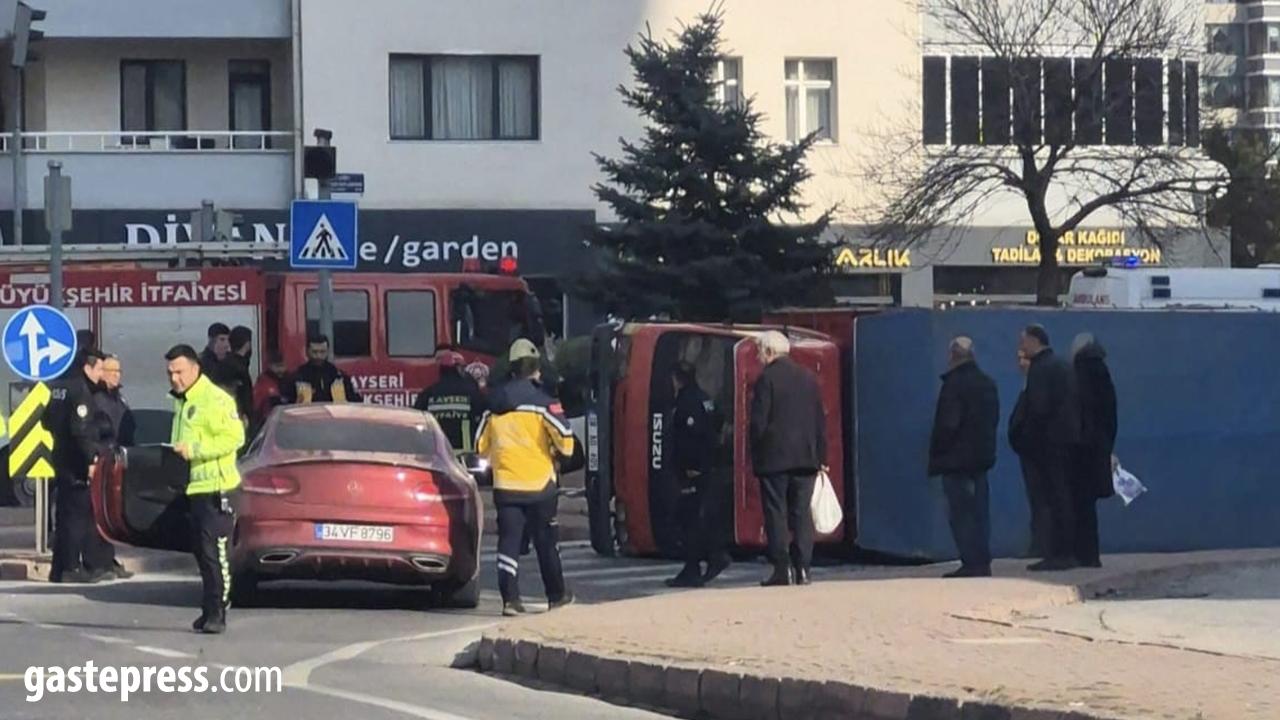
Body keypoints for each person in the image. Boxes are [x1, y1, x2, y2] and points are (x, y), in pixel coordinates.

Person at [476, 339, 576, 617]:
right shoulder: (544, 402)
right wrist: (557, 453)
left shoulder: (495, 404)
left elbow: (480, 445)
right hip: (540, 486)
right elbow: (566, 441)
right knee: (546, 542)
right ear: (536, 370)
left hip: (506, 485)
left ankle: (510, 601)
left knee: (508, 542)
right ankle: (556, 596)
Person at [165, 344, 245, 634]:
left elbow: (234, 438)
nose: (174, 378)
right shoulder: (183, 400)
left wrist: (195, 449)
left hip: (218, 488)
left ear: (195, 369)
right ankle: (208, 609)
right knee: (201, 552)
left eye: (179, 372)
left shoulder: (215, 400)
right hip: (195, 488)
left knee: (215, 554)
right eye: (170, 373)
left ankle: (218, 613)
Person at [749, 331, 828, 587]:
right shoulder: (808, 378)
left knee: (776, 513)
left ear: (769, 351)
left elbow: (759, 422)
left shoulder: (766, 379)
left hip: (774, 457)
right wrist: (821, 455)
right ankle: (804, 568)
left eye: (760, 351)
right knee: (802, 513)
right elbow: (819, 420)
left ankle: (782, 569)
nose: (759, 356)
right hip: (806, 456)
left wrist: (754, 453)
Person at [928, 337, 1000, 578]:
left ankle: (971, 562)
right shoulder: (987, 384)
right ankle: (982, 560)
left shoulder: (954, 385)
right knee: (980, 513)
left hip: (956, 460)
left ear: (953, 355)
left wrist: (938, 451)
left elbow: (948, 424)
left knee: (961, 514)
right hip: (981, 459)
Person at [1017, 325, 1081, 572]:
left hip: (1048, 443)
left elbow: (1038, 408)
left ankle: (1056, 554)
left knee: (1052, 498)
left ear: (1035, 341)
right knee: (1063, 496)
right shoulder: (1062, 366)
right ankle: (1067, 552)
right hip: (1066, 440)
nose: (1021, 348)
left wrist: (1029, 437)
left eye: (1024, 342)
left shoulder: (1040, 370)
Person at [47, 348, 111, 584]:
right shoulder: (81, 391)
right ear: (88, 367)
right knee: (77, 518)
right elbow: (81, 431)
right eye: (100, 369)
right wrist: (92, 460)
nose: (102, 374)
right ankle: (72, 568)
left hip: (61, 458)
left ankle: (59, 568)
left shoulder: (58, 386)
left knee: (64, 515)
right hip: (76, 463)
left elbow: (47, 421)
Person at [665, 362, 731, 588]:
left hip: (692, 470)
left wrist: (689, 466)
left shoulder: (686, 402)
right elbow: (718, 421)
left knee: (687, 519)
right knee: (694, 517)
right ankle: (704, 560)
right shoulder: (704, 397)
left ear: (677, 379)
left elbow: (689, 438)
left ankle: (701, 563)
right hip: (707, 466)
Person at [84, 353, 135, 580]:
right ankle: (96, 562)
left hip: (116, 460)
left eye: (119, 371)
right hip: (102, 460)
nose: (116, 375)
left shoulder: (118, 398)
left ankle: (108, 559)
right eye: (112, 371)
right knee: (96, 514)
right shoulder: (97, 399)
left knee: (110, 513)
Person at [1070, 333, 1118, 568]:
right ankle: (1089, 554)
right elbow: (1109, 413)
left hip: (1083, 448)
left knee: (1080, 502)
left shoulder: (1081, 372)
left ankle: (1084, 554)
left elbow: (1079, 410)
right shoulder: (1102, 371)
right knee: (1087, 503)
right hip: (1098, 445)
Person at [1008, 349, 1049, 559]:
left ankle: (1043, 545)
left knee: (1042, 500)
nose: (1020, 363)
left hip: (1037, 452)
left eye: (1024, 358)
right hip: (1028, 451)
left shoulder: (1036, 387)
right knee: (1036, 500)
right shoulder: (1027, 386)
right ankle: (1038, 543)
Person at [414, 351, 485, 457]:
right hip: (465, 454)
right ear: (458, 369)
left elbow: (417, 420)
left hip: (437, 454)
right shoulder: (471, 392)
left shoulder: (428, 394)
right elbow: (482, 416)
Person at [283, 334, 362, 404]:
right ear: (307, 352)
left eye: (322, 352)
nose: (318, 356)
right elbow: (285, 405)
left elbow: (356, 402)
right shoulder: (296, 377)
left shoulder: (339, 376)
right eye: (315, 352)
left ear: (328, 351)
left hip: (334, 419)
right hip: (306, 419)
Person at [251, 352, 290, 432]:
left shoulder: (290, 380)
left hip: (287, 424)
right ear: (270, 366)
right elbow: (256, 405)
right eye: (277, 366)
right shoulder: (263, 382)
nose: (280, 370)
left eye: (282, 366)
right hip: (268, 425)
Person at [224, 325, 255, 424]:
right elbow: (243, 395)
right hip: (238, 417)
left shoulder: (228, 362)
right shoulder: (239, 367)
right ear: (247, 344)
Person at [199, 323, 233, 388]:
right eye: (222, 340)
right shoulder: (201, 363)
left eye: (228, 340)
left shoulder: (231, 361)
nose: (227, 344)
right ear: (211, 340)